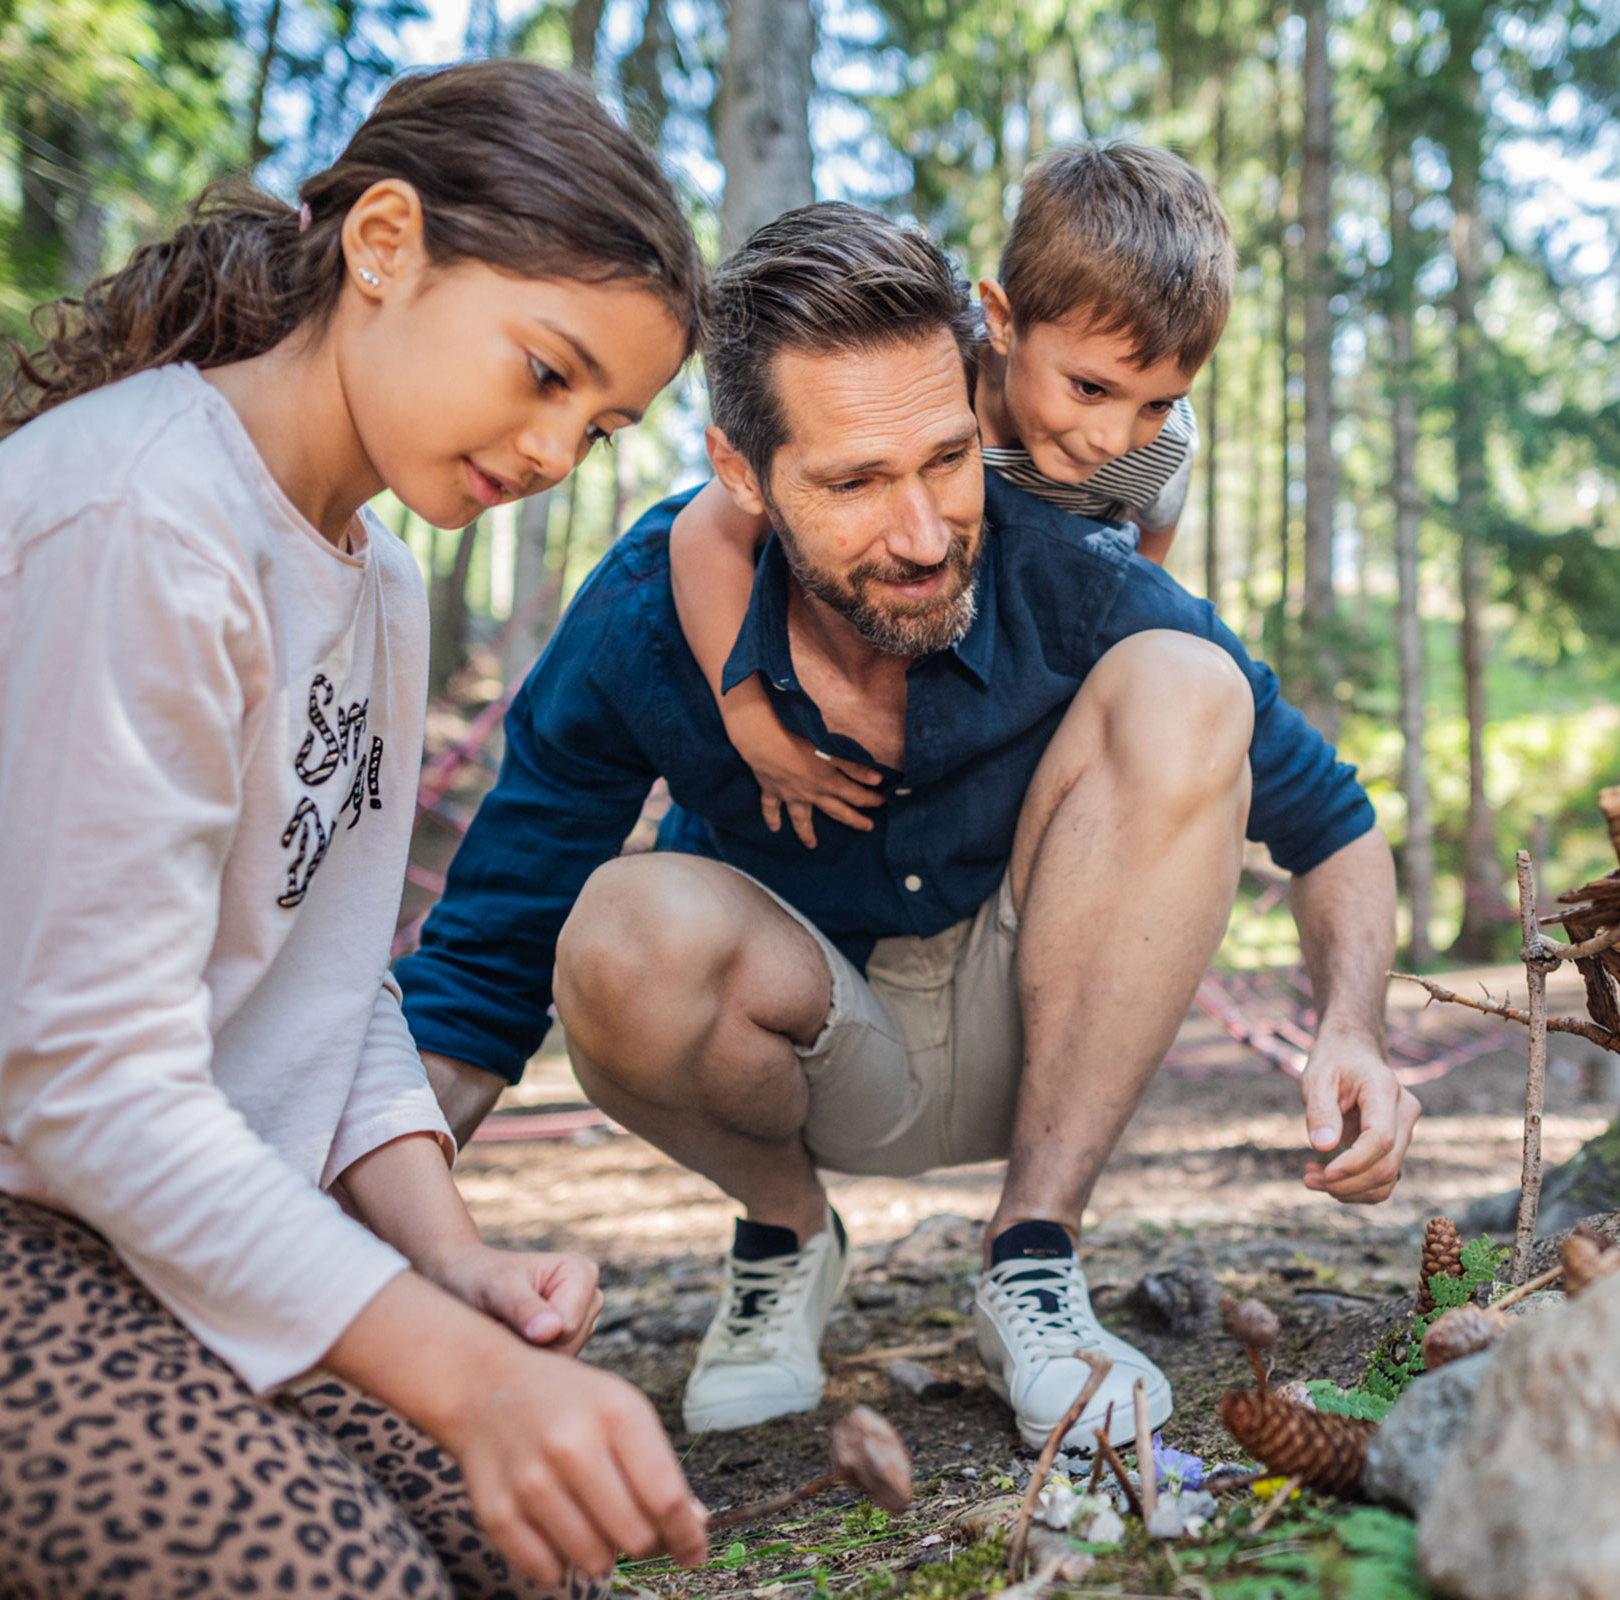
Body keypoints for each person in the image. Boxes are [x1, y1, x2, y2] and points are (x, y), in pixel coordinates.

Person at [399, 203, 1417, 1457]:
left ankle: (1033, 1257)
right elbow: (479, 969)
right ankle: (784, 1233)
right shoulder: (646, 615)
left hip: (1037, 1028)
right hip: (802, 1049)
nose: (927, 535)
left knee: (1186, 682)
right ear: (742, 475)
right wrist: (343, 1257)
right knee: (613, 929)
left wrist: (1355, 1027)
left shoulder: (1075, 565)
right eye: (854, 483)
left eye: (943, 461)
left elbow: (1334, 826)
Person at [0, 61, 710, 1599]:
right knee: (351, 1582)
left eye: (606, 425)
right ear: (383, 244)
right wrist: (465, 1375)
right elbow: (85, 1082)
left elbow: (328, 968)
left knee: (527, 1548)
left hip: (166, 1219)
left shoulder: (369, 572)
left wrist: (451, 1262)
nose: (560, 453)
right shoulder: (141, 520)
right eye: (547, 373)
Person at [670, 143, 1229, 848]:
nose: (1113, 438)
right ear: (999, 319)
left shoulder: (1164, 448)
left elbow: (1142, 582)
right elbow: (703, 534)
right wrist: (753, 727)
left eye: (1158, 403)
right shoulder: (927, 386)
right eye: (1089, 389)